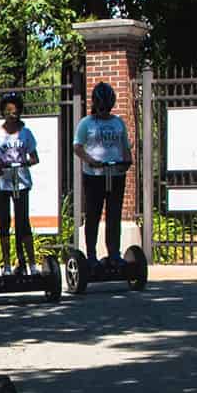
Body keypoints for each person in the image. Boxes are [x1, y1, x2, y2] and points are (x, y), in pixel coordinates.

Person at [75, 81, 134, 260]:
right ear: (95, 104)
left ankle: (114, 254)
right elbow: (77, 147)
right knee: (93, 215)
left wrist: (127, 160)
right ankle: (91, 255)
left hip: (116, 174)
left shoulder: (118, 123)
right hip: (94, 175)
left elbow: (125, 146)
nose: (102, 110)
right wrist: (91, 161)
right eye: (100, 106)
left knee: (114, 216)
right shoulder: (86, 123)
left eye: (106, 106)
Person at [0, 92, 40, 271]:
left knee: (23, 223)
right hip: (3, 184)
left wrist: (25, 162)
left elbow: (35, 158)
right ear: (3, 112)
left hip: (22, 183)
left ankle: (30, 263)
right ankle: (6, 265)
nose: (13, 114)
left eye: (16, 110)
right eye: (9, 110)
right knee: (4, 223)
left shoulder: (26, 133)